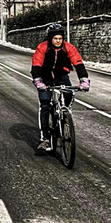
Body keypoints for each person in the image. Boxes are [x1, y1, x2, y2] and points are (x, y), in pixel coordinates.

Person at [31, 23, 90, 152]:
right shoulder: (43, 48)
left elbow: (78, 63)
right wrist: (38, 81)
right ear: (50, 38)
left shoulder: (68, 47)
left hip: (61, 76)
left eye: (60, 38)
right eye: (55, 38)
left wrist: (84, 80)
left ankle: (64, 114)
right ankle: (45, 138)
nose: (58, 41)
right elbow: (36, 65)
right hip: (45, 77)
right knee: (45, 104)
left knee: (68, 94)